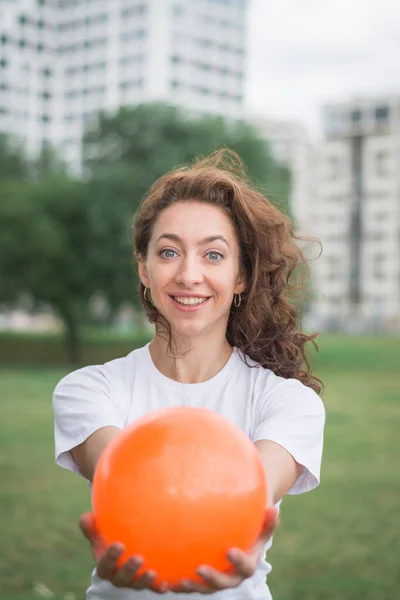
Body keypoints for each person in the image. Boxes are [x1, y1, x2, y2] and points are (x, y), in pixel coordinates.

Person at [53, 150, 325, 600]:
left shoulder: (288, 403)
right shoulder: (88, 390)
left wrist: (233, 532)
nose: (189, 274)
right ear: (144, 268)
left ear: (240, 276)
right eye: (168, 252)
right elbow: (128, 488)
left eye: (213, 254)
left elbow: (246, 496)